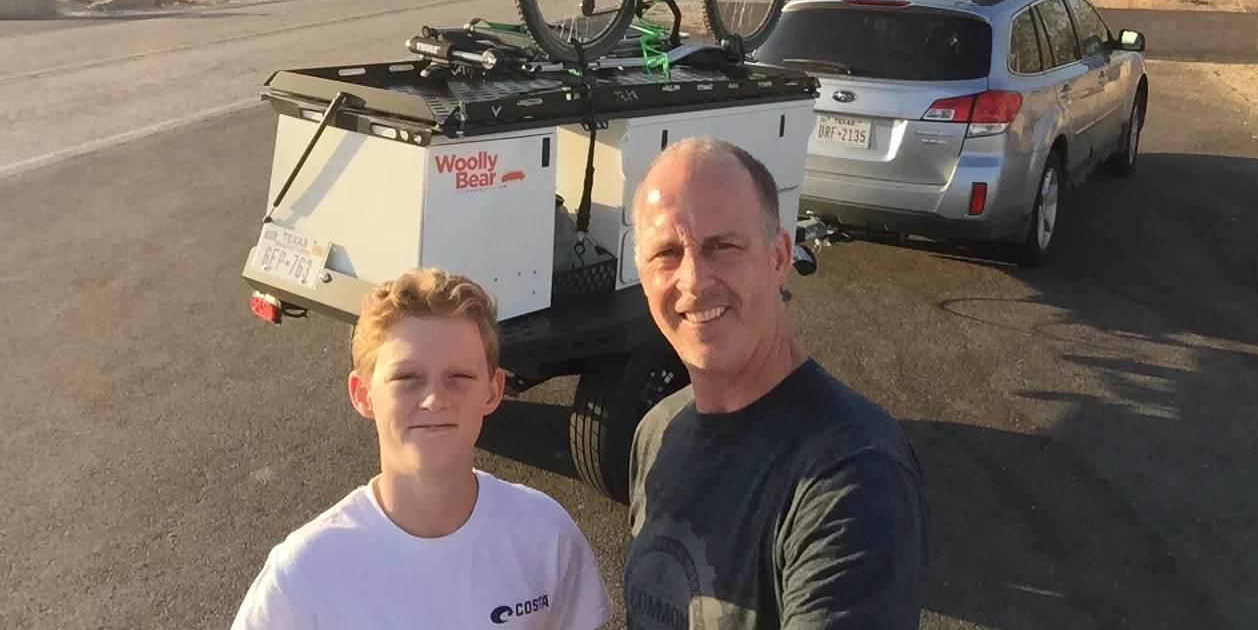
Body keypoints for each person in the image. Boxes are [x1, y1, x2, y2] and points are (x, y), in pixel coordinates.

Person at [623, 137, 929, 629]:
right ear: (642, 276)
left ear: (779, 256)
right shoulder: (658, 433)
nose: (695, 280)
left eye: (722, 246)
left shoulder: (853, 477)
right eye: (666, 253)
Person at [231, 268, 612, 630]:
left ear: (493, 390)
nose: (434, 399)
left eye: (459, 376)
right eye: (407, 377)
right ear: (362, 394)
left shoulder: (544, 533)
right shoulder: (304, 573)